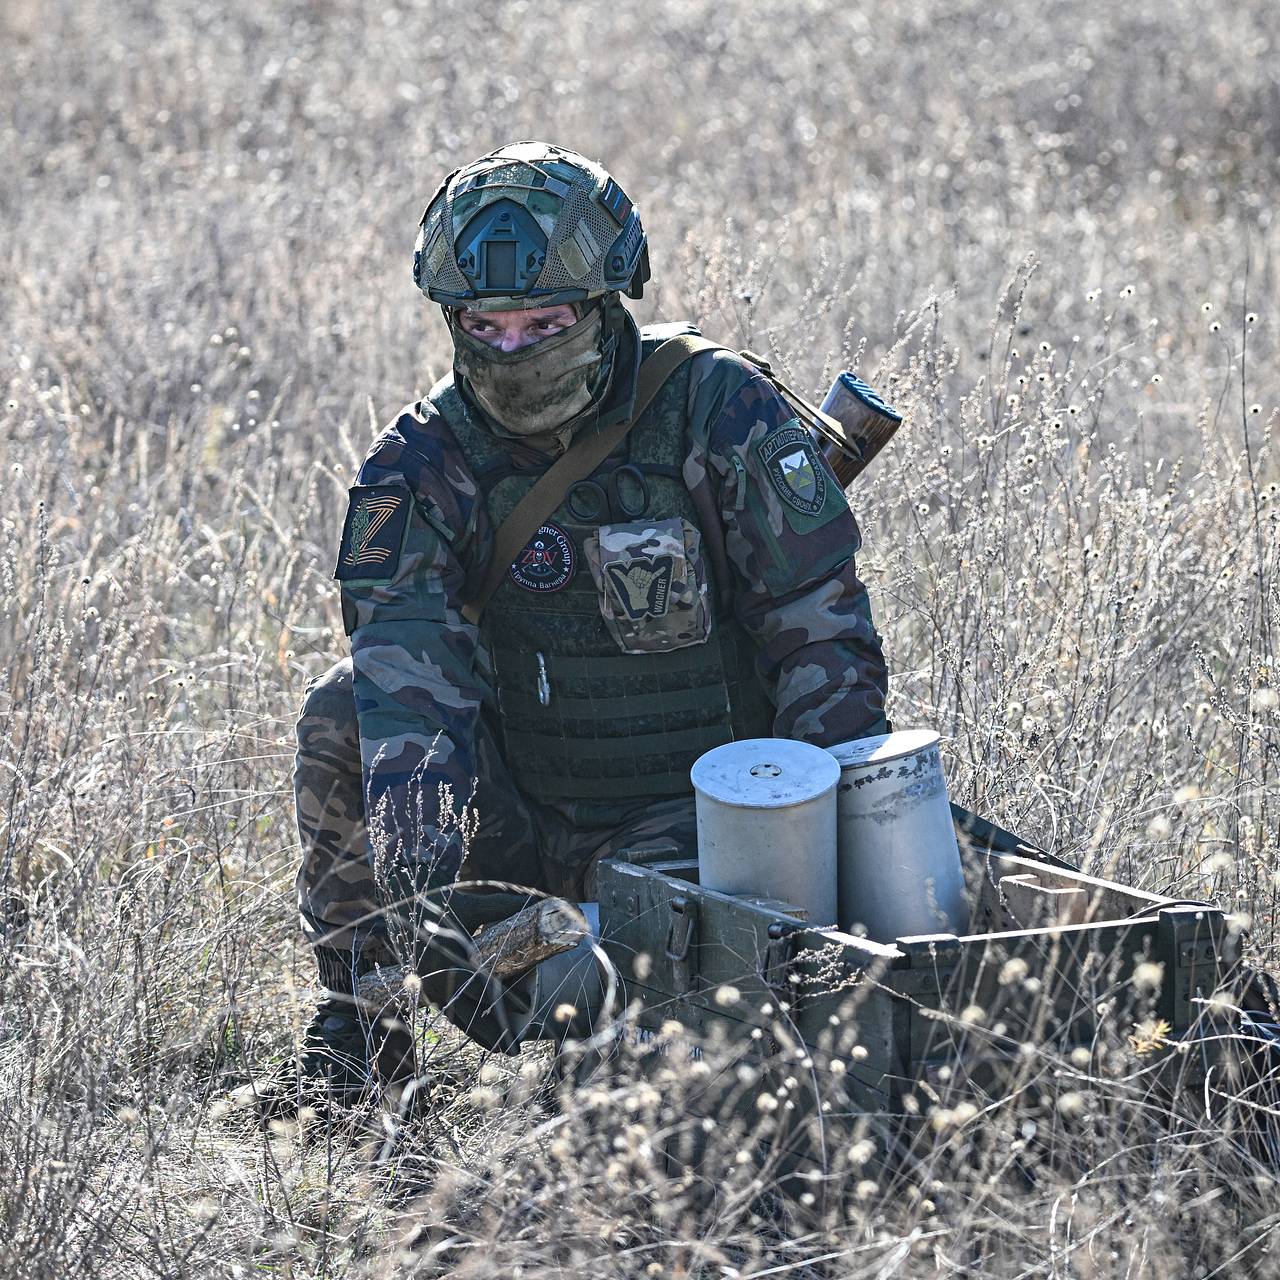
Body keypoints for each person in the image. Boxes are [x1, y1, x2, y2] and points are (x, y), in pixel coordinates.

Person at [263, 141, 889, 1114]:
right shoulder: (418, 464)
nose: (513, 352)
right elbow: (404, 674)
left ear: (603, 305)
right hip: (522, 820)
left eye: (543, 323)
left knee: (650, 1026)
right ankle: (355, 1039)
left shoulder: (714, 408)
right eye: (486, 326)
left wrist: (827, 852)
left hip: (702, 821)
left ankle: (633, 1013)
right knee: (342, 713)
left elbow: (818, 634)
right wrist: (421, 899)